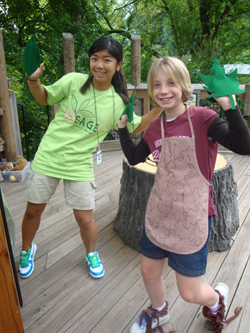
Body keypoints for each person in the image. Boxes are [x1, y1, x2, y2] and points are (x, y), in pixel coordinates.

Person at [118, 56, 250, 333]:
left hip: (192, 216)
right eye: (157, 85)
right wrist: (121, 130)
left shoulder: (203, 118)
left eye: (171, 83)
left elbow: (244, 145)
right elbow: (133, 157)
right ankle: (158, 311)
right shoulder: (155, 127)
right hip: (158, 212)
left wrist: (229, 106)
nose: (163, 90)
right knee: (148, 271)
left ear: (184, 85)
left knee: (190, 293)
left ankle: (216, 299)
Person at [19, 37, 163, 280]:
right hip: (49, 156)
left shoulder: (118, 102)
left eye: (107, 60)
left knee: (85, 219)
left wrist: (158, 107)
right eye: (95, 58)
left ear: (117, 65)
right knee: (33, 211)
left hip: (80, 164)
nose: (99, 64)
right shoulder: (73, 81)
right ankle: (26, 249)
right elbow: (45, 97)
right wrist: (34, 79)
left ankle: (91, 253)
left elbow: (136, 127)